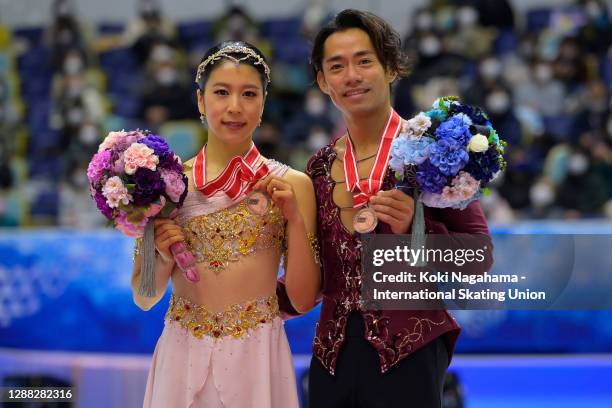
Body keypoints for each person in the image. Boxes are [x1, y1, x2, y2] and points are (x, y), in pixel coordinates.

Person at [278, 9, 491, 407]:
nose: (352, 76)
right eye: (336, 66)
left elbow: (478, 257)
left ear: (391, 68)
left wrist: (417, 228)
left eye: (364, 61)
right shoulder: (319, 167)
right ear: (323, 82)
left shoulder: (437, 150)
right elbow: (317, 271)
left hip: (409, 351)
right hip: (331, 355)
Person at [131, 41, 321, 408]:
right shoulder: (166, 187)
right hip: (181, 356)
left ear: (263, 104)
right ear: (200, 102)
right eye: (221, 92)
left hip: (259, 358)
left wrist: (295, 218)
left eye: (249, 94)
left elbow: (301, 298)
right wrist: (161, 253)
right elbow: (143, 297)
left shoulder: (294, 185)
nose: (235, 107)